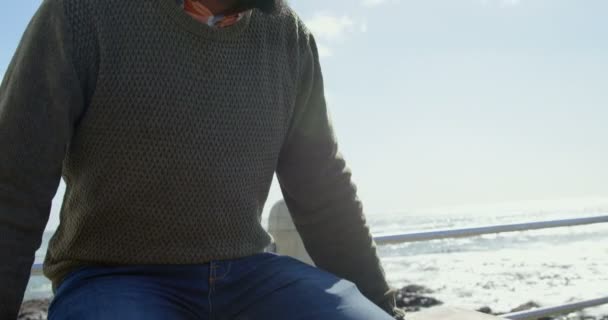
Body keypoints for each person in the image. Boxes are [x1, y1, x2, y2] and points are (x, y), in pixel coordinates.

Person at [0, 0, 406, 319]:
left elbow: (325, 193)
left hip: (251, 272)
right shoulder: (80, 13)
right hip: (113, 276)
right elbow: (14, 184)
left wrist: (384, 310)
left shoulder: (289, 36)